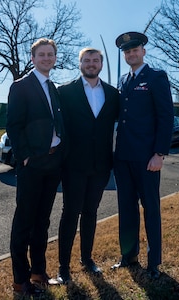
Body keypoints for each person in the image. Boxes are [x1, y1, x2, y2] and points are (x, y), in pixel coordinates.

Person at [6, 38, 66, 298]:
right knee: (24, 222)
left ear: (54, 57)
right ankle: (20, 279)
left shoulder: (54, 87)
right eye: (41, 54)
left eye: (50, 54)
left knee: (42, 221)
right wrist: (25, 157)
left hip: (53, 162)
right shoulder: (21, 87)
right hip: (33, 163)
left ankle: (38, 272)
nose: (46, 58)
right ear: (33, 58)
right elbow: (14, 125)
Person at [112, 32, 174, 279]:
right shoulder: (123, 80)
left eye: (135, 50)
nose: (131, 54)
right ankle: (128, 256)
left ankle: (154, 262)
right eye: (127, 52)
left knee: (151, 209)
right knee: (126, 209)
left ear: (143, 51)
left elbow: (166, 117)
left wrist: (159, 153)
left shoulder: (156, 77)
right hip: (123, 157)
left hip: (147, 158)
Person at [57, 47, 120, 284]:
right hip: (73, 165)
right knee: (71, 213)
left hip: (101, 165)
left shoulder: (113, 94)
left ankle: (87, 259)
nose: (91, 64)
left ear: (101, 64)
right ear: (80, 63)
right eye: (86, 60)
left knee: (91, 212)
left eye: (95, 60)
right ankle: (64, 266)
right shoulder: (65, 92)